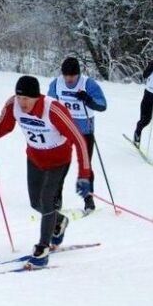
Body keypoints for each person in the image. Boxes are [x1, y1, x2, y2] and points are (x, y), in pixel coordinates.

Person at [0, 75, 92, 268]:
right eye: (19, 98)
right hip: (35, 158)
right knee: (35, 203)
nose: (22, 103)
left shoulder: (53, 110)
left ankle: (42, 249)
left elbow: (79, 139)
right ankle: (59, 221)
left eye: (26, 99)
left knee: (47, 200)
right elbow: (2, 128)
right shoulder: (12, 105)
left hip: (59, 160)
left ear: (37, 97)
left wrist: (84, 174)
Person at [47, 57, 107, 214]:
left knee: (86, 166)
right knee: (60, 166)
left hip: (84, 131)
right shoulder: (56, 84)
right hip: (64, 131)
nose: (69, 79)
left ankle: (89, 200)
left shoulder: (88, 84)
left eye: (72, 76)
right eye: (66, 75)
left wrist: (87, 99)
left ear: (78, 74)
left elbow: (102, 105)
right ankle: (56, 199)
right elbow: (49, 105)